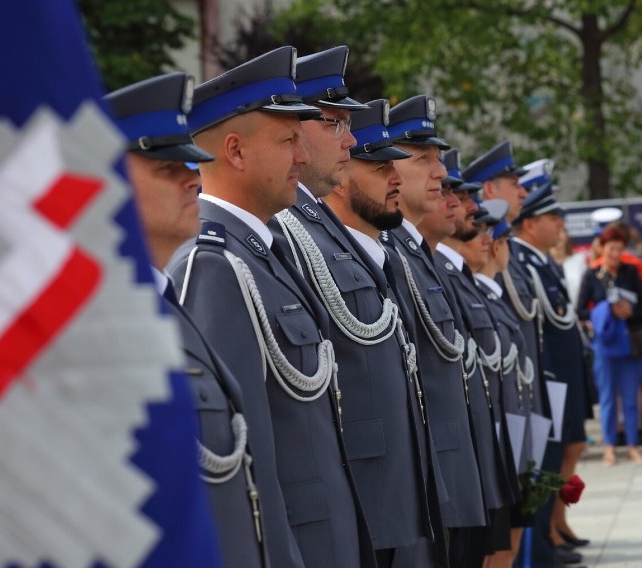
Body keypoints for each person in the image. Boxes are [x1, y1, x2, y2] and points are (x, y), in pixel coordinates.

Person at [167, 46, 375, 567]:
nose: (302, 157)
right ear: (235, 152)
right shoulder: (216, 266)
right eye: (288, 141)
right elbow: (238, 456)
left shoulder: (266, 254)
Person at [272, 50, 439, 566]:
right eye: (336, 124)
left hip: (390, 479)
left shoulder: (326, 234)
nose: (348, 139)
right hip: (353, 486)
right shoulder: (290, 235)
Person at [107, 72, 266, 567]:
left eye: (191, 165)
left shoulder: (166, 305)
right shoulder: (101, 331)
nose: (193, 178)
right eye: (166, 167)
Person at [379, 95, 488, 565]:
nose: (440, 175)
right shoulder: (391, 253)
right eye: (424, 159)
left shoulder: (416, 254)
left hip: (447, 467)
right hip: (422, 477)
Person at [420, 179, 519, 562]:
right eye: (453, 196)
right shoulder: (430, 267)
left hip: (479, 433)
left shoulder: (448, 272)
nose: (466, 210)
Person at [509, 182, 592, 567]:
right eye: (551, 217)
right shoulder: (522, 262)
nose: (560, 223)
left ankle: (552, 531)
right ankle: (543, 541)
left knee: (561, 454)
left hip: (561, 376)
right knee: (544, 462)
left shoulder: (540, 262)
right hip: (547, 377)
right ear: (529, 225)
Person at [463, 202, 536, 568]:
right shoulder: (473, 292)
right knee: (496, 551)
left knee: (509, 543)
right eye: (481, 232)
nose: (490, 242)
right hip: (496, 436)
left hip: (513, 431)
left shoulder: (488, 294)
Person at [576, 226, 642, 466]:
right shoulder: (592, 274)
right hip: (605, 343)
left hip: (629, 340)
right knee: (608, 398)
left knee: (630, 397)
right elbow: (579, 309)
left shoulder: (631, 271)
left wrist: (630, 311)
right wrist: (604, 311)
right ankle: (610, 447)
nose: (616, 253)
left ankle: (632, 445)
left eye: (620, 249)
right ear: (602, 248)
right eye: (612, 249)